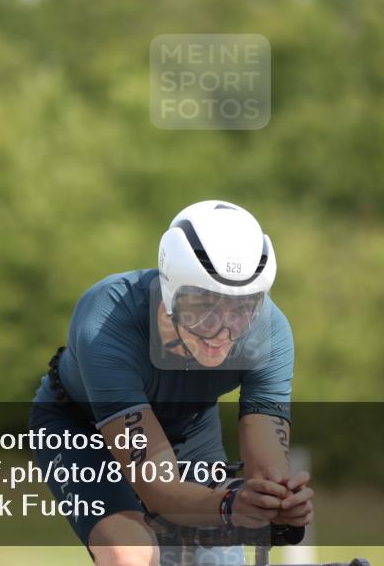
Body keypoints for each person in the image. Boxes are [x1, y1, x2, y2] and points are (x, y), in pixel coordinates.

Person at [30, 200, 312, 566]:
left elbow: (267, 467)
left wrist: (277, 503)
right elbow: (157, 485)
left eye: (242, 307)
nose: (223, 331)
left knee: (217, 561)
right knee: (128, 553)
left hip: (188, 428)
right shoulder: (106, 319)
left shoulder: (270, 332)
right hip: (80, 428)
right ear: (170, 290)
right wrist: (228, 504)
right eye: (205, 307)